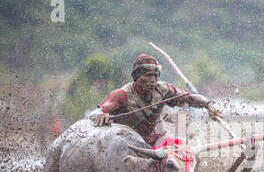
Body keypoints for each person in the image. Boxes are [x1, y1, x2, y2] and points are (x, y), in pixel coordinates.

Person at [89, 54, 221, 146]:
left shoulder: (164, 90)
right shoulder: (121, 94)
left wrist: (209, 105)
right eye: (148, 75)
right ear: (137, 77)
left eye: (155, 76)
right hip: (123, 144)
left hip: (152, 142)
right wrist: (102, 114)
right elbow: (96, 113)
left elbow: (190, 98)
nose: (152, 80)